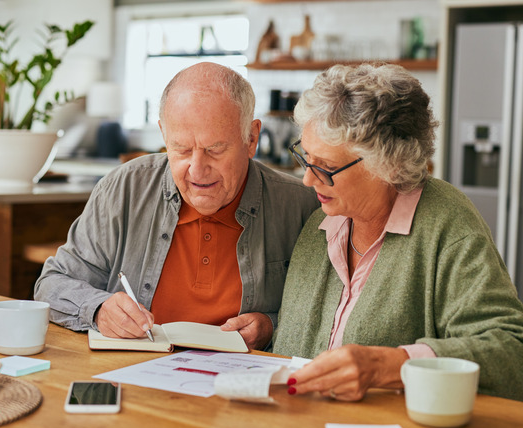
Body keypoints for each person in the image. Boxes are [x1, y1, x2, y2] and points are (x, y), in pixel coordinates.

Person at [272, 64, 523, 401]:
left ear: (388, 165)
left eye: (326, 167)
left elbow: (517, 353)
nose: (308, 180)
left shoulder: (447, 224)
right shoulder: (321, 224)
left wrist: (393, 366)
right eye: (306, 158)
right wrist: (267, 328)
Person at [35, 62, 319, 350]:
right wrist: (98, 308)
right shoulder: (124, 188)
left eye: (215, 149)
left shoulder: (301, 206)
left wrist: (273, 325)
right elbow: (51, 285)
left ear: (251, 138)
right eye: (181, 149)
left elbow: (330, 320)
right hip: (135, 372)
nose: (197, 170)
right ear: (163, 135)